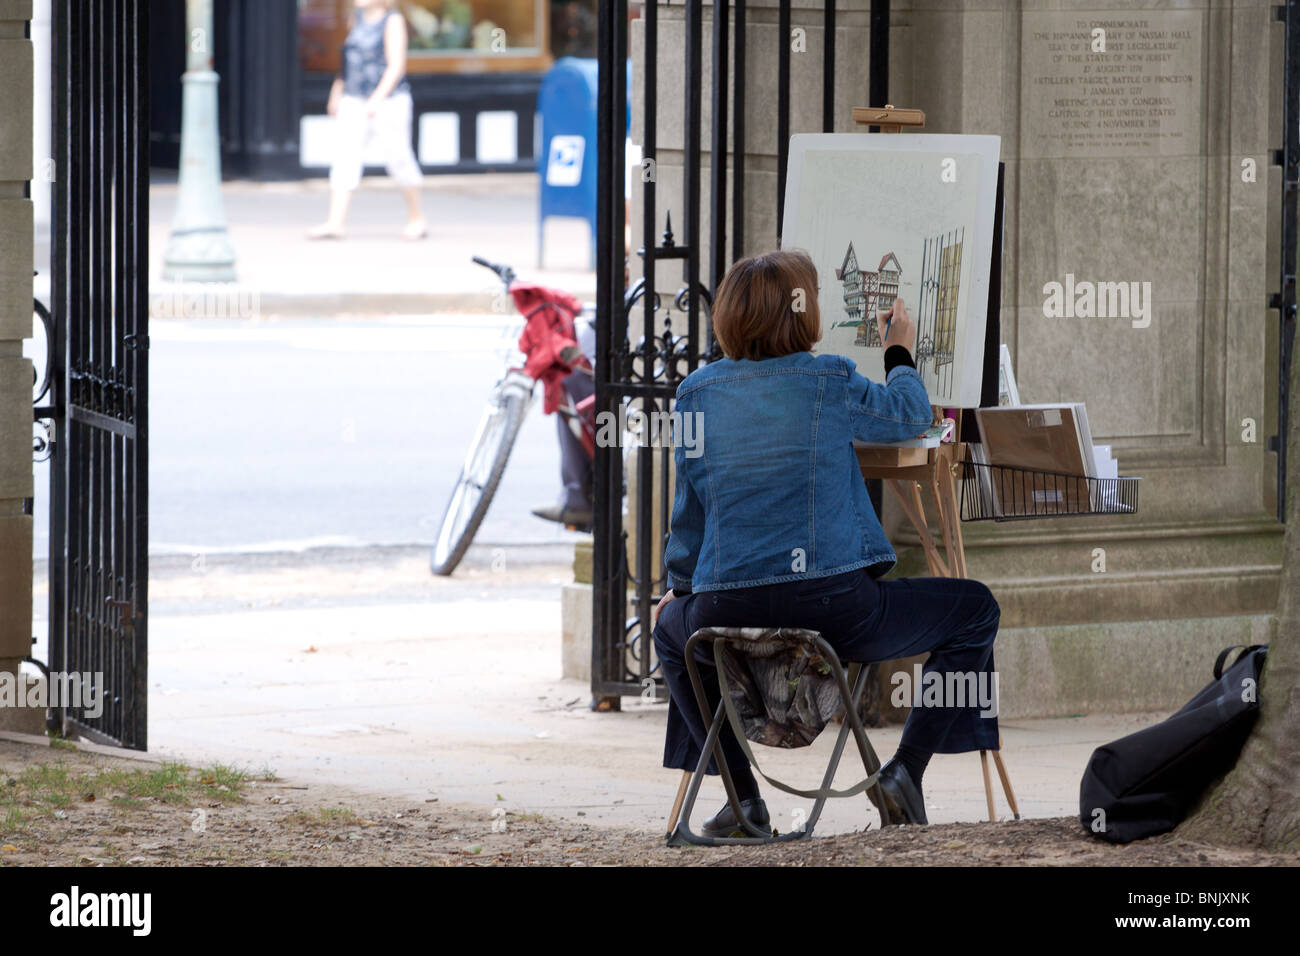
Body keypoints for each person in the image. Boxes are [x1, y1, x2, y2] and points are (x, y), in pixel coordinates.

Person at [651, 249, 1001, 837]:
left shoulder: (695, 395)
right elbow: (912, 417)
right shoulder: (828, 378)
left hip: (723, 607)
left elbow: (688, 520)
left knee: (670, 631)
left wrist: (677, 591)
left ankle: (743, 803)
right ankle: (905, 774)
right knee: (975, 610)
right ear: (803, 313)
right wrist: (898, 352)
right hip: (835, 610)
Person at [309, 0, 427, 241]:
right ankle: (335, 222)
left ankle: (416, 217)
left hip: (388, 100)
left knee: (399, 157)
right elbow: (348, 63)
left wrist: (377, 98)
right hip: (353, 98)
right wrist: (337, 93)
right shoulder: (356, 19)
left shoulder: (392, 20)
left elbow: (396, 66)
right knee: (345, 156)